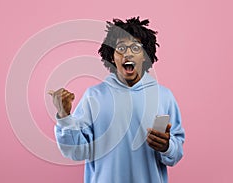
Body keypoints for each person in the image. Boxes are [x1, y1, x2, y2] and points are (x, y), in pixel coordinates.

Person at [48, 17, 185, 183]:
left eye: (136, 47)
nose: (128, 53)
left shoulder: (164, 97)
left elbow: (176, 154)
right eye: (120, 48)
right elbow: (77, 152)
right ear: (112, 57)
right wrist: (64, 116)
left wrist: (167, 147)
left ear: (145, 55)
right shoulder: (94, 96)